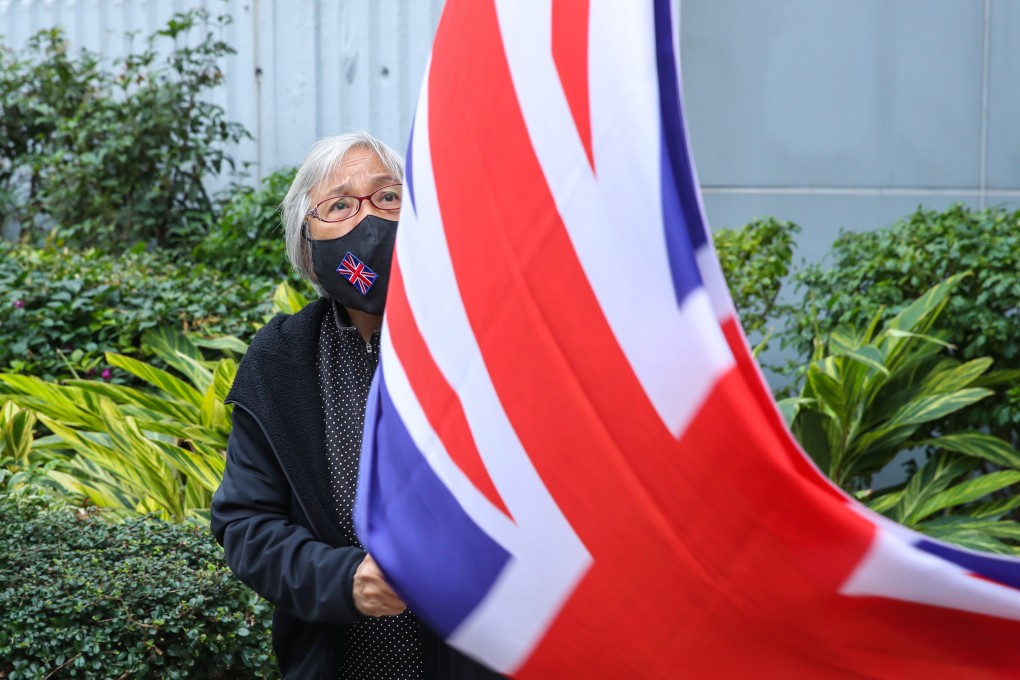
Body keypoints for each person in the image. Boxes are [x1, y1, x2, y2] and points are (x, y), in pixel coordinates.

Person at [211, 131, 503, 679]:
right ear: (307, 245)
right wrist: (343, 580)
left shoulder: (481, 345)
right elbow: (246, 523)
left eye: (388, 197)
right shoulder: (281, 361)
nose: (368, 219)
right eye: (339, 205)